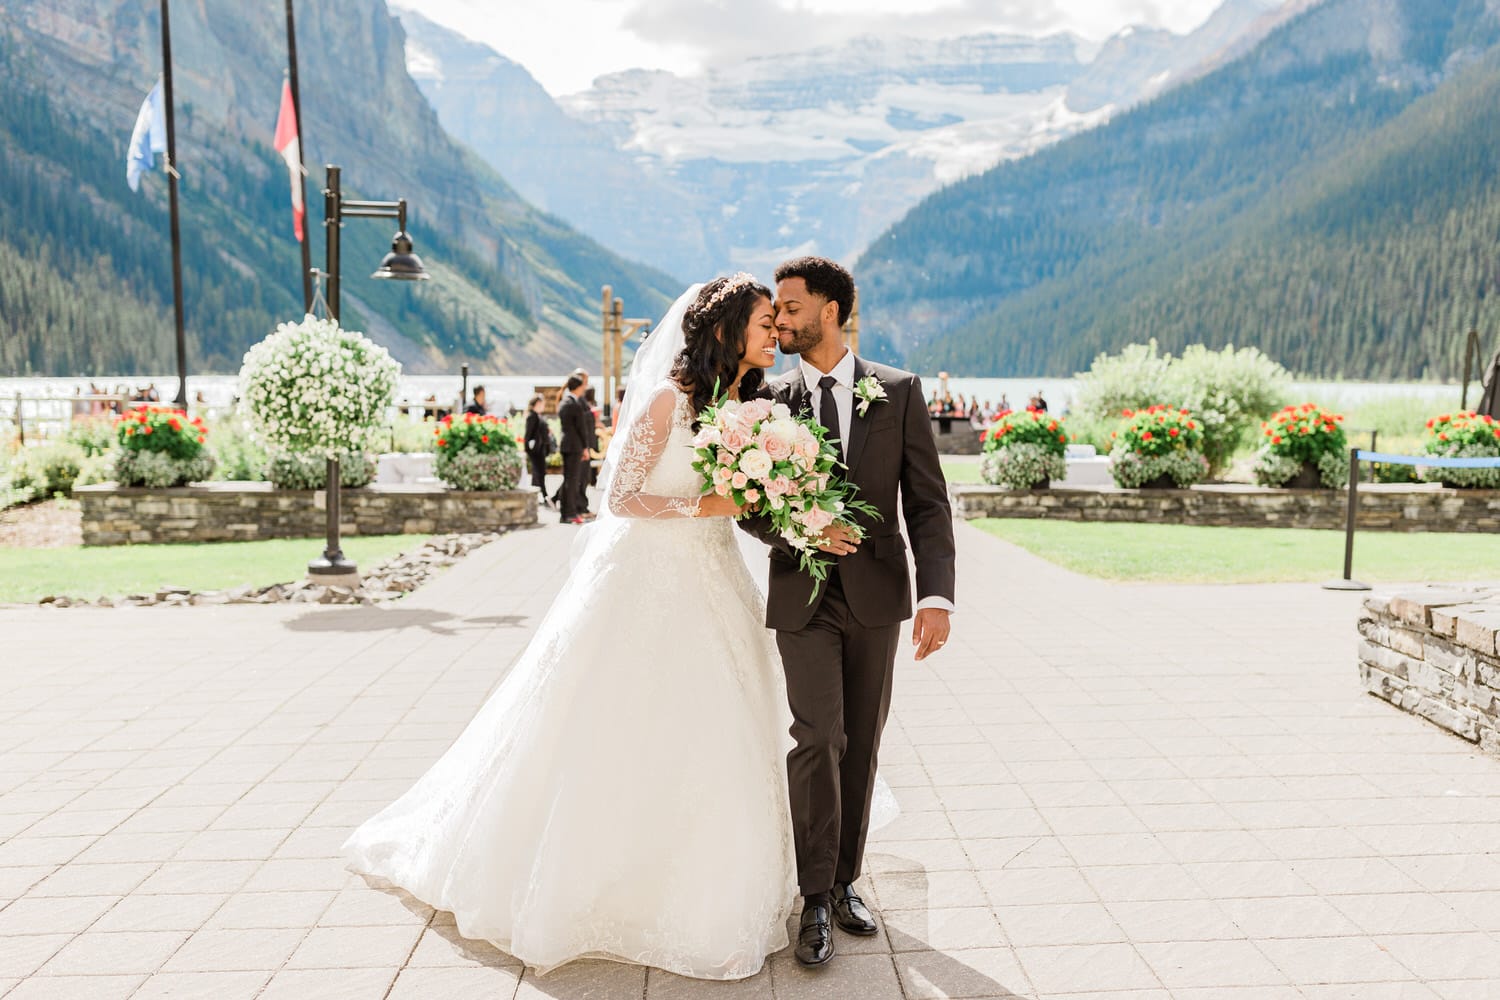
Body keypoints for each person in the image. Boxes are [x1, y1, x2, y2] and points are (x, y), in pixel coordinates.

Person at [343, 276, 801, 980]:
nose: (776, 335)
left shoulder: (743, 407)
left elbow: (740, 496)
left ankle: (719, 878)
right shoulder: (665, 402)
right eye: (766, 322)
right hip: (647, 580)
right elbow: (621, 496)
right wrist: (708, 506)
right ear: (726, 330)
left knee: (724, 721)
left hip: (714, 579)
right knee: (620, 718)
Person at [739, 256, 956, 968]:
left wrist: (935, 596)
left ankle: (843, 883)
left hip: (877, 600)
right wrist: (804, 530)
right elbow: (749, 508)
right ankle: (811, 900)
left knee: (861, 739)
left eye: (792, 308)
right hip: (802, 599)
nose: (781, 321)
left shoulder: (898, 391)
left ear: (830, 311)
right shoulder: (766, 401)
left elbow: (926, 501)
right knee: (817, 736)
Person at [556, 375, 591, 524]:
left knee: (568, 479)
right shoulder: (574, 404)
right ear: (578, 387)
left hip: (565, 445)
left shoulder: (564, 402)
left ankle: (565, 513)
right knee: (573, 481)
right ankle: (569, 513)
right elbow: (581, 428)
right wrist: (585, 447)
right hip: (575, 446)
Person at [523, 394, 553, 505]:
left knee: (538, 473)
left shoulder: (537, 416)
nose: (543, 405)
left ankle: (538, 495)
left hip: (539, 449)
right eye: (541, 403)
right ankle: (544, 495)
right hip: (536, 450)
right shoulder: (532, 416)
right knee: (540, 472)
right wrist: (528, 449)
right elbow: (528, 434)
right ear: (536, 404)